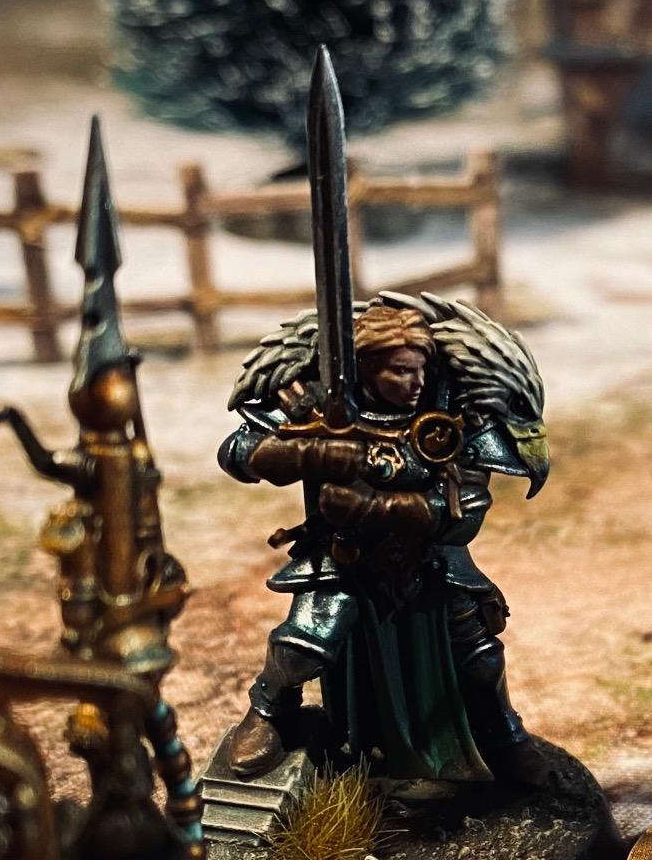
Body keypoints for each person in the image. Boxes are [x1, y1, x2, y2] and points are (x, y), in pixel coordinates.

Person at [216, 291, 553, 789]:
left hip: (432, 558)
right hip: (343, 556)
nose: (415, 382)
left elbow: (468, 509)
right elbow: (236, 452)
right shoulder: (318, 409)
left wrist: (378, 507)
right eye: (399, 371)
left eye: (420, 370)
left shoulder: (453, 416)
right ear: (367, 368)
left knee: (480, 655)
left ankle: (502, 734)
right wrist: (305, 454)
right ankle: (268, 710)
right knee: (304, 645)